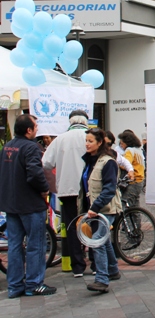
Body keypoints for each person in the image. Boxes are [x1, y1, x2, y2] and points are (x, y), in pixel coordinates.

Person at [0, 114, 56, 298]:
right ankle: (34, 284)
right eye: (36, 126)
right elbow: (34, 173)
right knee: (35, 245)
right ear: (29, 130)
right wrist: (44, 189)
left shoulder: (8, 146)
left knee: (15, 245)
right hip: (30, 204)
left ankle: (15, 286)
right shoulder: (31, 147)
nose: (38, 129)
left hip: (11, 203)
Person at [42, 109, 91, 277]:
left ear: (70, 121)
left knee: (71, 225)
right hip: (89, 188)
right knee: (92, 222)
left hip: (66, 188)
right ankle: (95, 262)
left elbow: (46, 163)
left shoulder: (60, 139)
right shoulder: (91, 136)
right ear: (85, 121)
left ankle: (77, 266)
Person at [80, 129, 121, 293]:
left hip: (106, 209)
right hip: (94, 208)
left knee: (97, 240)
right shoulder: (90, 161)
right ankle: (112, 269)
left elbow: (109, 189)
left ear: (99, 143)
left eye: (90, 141)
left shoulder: (107, 162)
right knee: (102, 239)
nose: (87, 144)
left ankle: (102, 279)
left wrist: (95, 207)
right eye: (86, 140)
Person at [117, 130, 145, 209]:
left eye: (122, 143)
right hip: (140, 181)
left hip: (133, 181)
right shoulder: (138, 150)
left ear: (127, 143)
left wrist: (118, 163)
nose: (121, 145)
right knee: (135, 206)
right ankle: (136, 221)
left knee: (125, 205)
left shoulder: (129, 150)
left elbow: (126, 164)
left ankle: (126, 221)